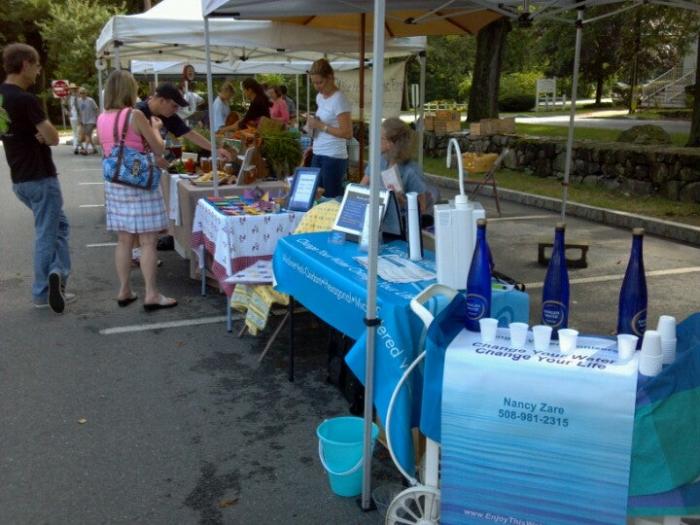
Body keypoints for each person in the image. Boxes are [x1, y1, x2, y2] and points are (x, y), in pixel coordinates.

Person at [0, 43, 74, 313]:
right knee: (47, 232)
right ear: (25, 65)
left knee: (59, 226)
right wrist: (43, 134)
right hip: (40, 176)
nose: (39, 71)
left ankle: (56, 275)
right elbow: (53, 137)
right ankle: (45, 288)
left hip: (19, 177)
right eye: (37, 65)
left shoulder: (1, 97)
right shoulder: (25, 100)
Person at [96, 70, 177, 312]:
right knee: (148, 241)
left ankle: (124, 290)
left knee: (124, 240)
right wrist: (157, 128)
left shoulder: (102, 118)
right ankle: (151, 294)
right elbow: (158, 149)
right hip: (140, 182)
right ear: (128, 90)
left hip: (115, 183)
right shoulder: (135, 115)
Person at [136, 82, 232, 169]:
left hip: (150, 170)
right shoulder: (137, 112)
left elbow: (190, 133)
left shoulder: (168, 116)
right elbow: (129, 147)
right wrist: (152, 159)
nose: (176, 110)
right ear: (162, 101)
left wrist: (215, 150)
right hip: (135, 168)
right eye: (174, 106)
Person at [360, 117, 429, 237]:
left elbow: (421, 208)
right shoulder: (378, 160)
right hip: (372, 222)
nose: (375, 141)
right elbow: (361, 187)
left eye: (380, 138)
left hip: (399, 230)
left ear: (391, 143)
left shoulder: (411, 170)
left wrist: (402, 202)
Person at [306, 58, 353, 198]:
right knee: (315, 196)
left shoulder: (339, 99)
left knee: (330, 199)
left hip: (333, 156)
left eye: (320, 82)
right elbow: (324, 122)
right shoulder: (320, 97)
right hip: (318, 152)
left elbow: (347, 133)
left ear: (330, 78)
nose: (317, 87)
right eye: (314, 83)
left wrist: (320, 126)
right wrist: (312, 124)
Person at [77, 87, 99, 155]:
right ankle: (95, 149)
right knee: (86, 135)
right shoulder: (79, 101)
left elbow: (96, 109)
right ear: (79, 94)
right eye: (81, 93)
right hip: (83, 120)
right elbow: (79, 111)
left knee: (87, 134)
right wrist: (79, 119)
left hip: (91, 120)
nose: (82, 94)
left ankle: (85, 149)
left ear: (86, 93)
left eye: (83, 93)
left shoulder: (90, 100)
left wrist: (97, 118)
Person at [65, 83, 81, 154]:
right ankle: (76, 147)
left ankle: (77, 146)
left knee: (79, 131)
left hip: (79, 116)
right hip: (72, 116)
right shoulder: (68, 97)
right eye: (71, 89)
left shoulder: (78, 96)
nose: (72, 90)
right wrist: (67, 112)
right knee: (75, 132)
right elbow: (64, 106)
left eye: (74, 89)